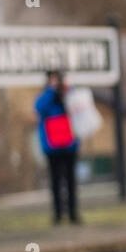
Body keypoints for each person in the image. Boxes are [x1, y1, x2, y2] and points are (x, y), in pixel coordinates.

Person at [34, 70, 81, 224]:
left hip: (69, 145)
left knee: (71, 181)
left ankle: (73, 213)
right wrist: (51, 91)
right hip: (52, 147)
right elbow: (39, 107)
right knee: (55, 182)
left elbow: (78, 105)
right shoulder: (45, 96)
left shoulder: (69, 93)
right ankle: (58, 214)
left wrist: (66, 89)